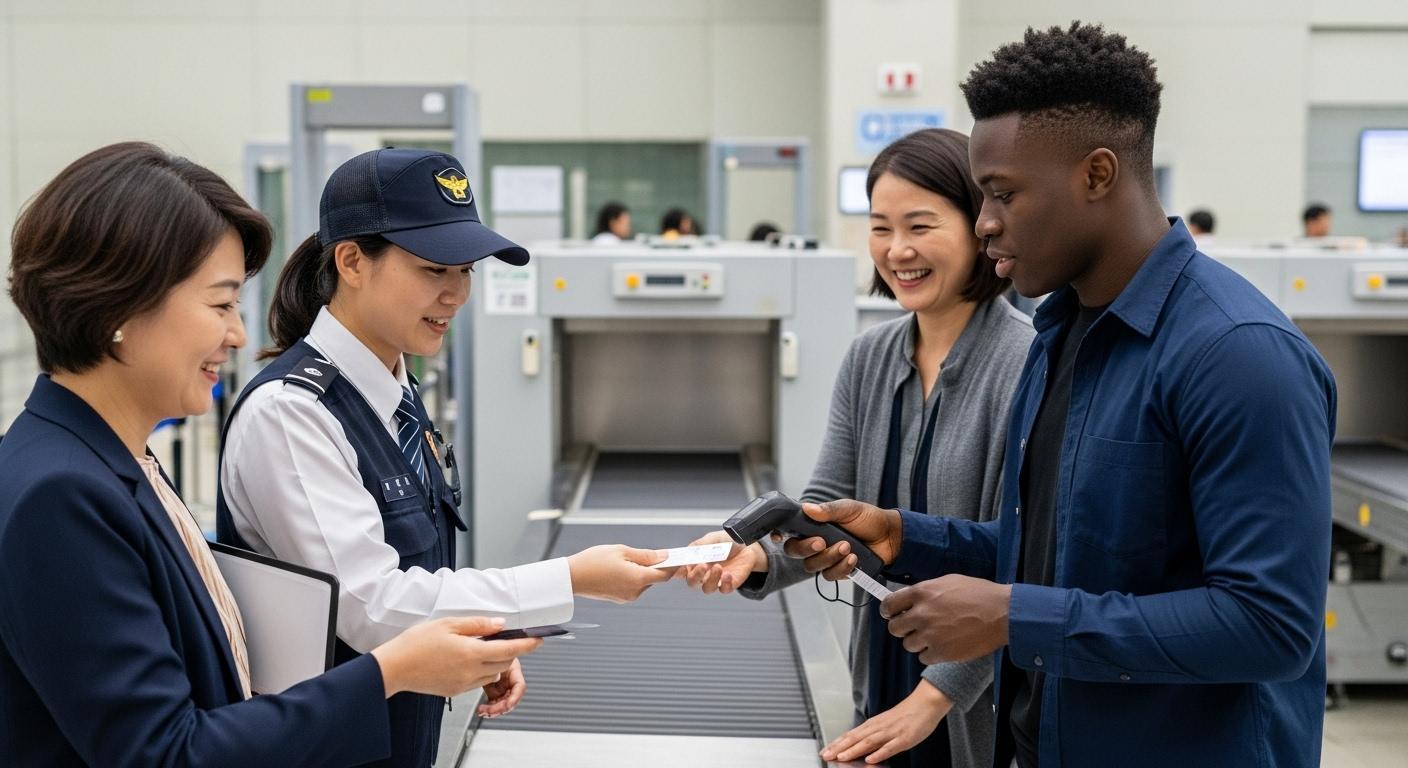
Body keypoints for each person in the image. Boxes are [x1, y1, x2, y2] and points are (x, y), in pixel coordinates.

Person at [786, 23, 1335, 767]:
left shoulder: (1239, 356)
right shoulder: (1061, 337)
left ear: (1098, 175)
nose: (984, 224)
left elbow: (1269, 624)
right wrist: (903, 535)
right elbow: (1054, 552)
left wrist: (1015, 616)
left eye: (1003, 195)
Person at [0, 142, 543, 767]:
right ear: (119, 303)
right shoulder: (61, 493)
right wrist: (388, 672)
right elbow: (165, 753)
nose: (236, 334)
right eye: (220, 303)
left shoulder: (115, 463)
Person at [216, 148, 674, 768]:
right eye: (435, 269)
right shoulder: (293, 413)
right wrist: (572, 578)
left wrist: (483, 641)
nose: (456, 294)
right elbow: (372, 607)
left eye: (467, 271)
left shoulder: (395, 390)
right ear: (352, 261)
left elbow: (413, 580)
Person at [681, 129, 1034, 768]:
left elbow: (1025, 564)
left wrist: (935, 699)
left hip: (977, 691)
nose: (897, 250)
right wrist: (754, 557)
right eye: (880, 227)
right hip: (884, 662)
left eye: (921, 226)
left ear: (979, 225)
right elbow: (823, 510)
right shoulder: (871, 356)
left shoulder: (1027, 363)